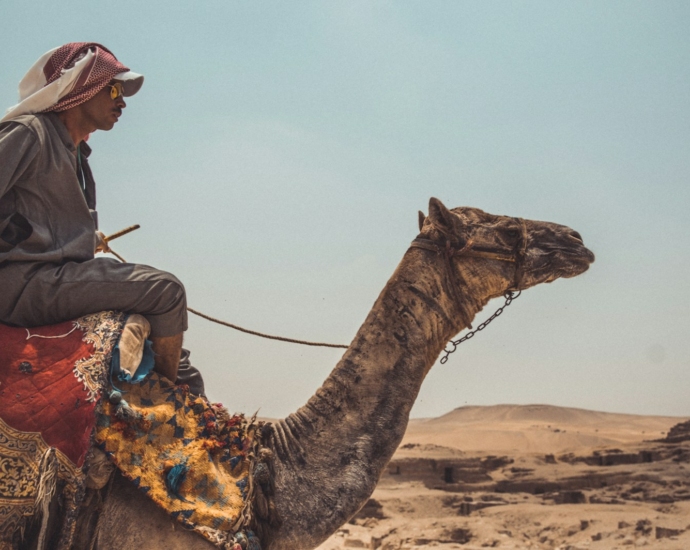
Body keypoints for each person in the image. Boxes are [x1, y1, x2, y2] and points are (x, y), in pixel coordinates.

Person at [0, 43, 203, 394]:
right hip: (25, 284)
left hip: (53, 278)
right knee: (166, 292)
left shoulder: (77, 154)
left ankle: (178, 389)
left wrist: (82, 237)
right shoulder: (30, 132)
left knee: (183, 366)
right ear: (78, 89)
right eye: (114, 89)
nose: (122, 101)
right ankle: (162, 403)